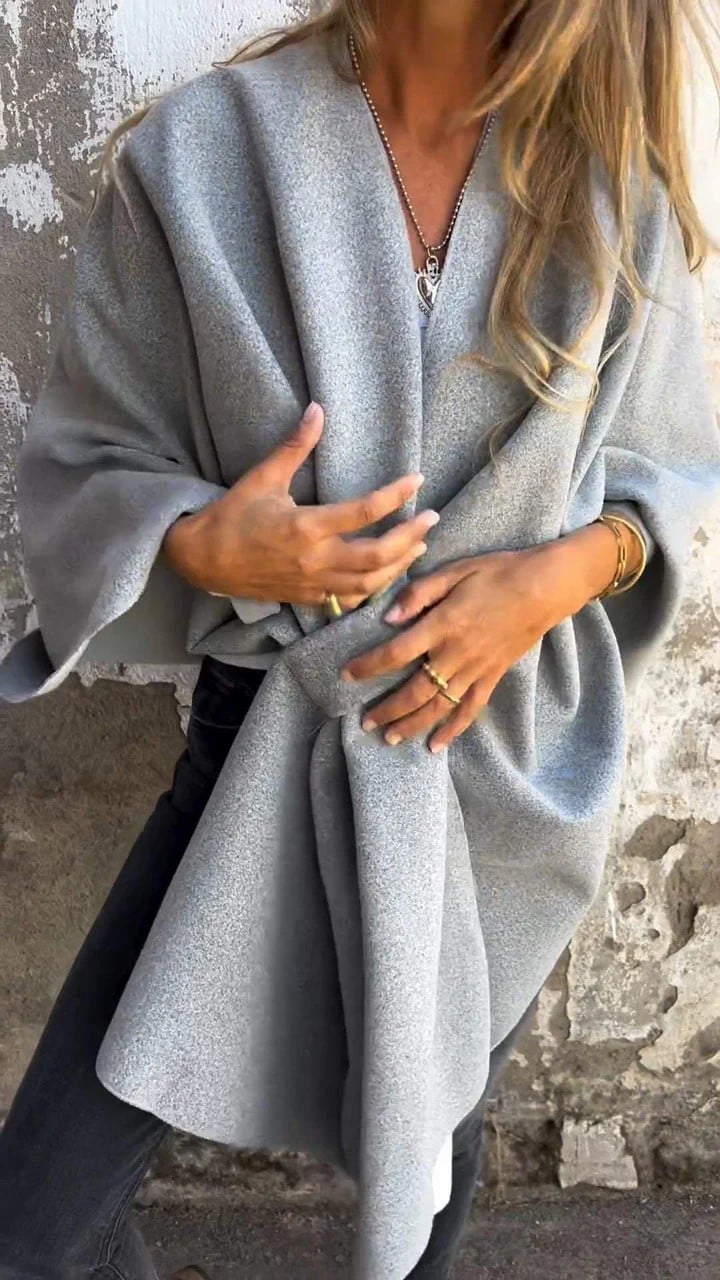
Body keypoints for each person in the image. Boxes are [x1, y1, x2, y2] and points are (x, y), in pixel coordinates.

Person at [1, 2, 719, 1278]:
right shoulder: (203, 152)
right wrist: (201, 541)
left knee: (438, 1147)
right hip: (263, 731)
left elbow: (666, 470)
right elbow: (88, 455)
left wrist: (554, 577)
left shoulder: (612, 178)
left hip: (499, 758)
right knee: (37, 1224)